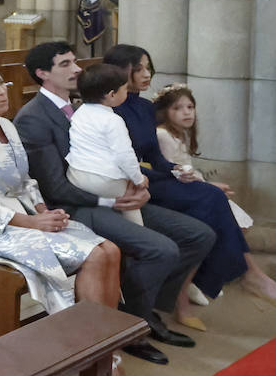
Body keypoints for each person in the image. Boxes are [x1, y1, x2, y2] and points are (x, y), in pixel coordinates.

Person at [0, 64, 146, 376]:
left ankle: (104, 350)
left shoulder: (8, 125)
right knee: (94, 255)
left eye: (1, 83)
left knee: (109, 249)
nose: (2, 90)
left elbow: (27, 181)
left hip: (24, 213)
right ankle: (102, 362)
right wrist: (29, 223)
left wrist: (41, 210)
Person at [13, 41, 209, 361]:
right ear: (42, 74)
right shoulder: (33, 118)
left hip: (114, 195)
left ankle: (140, 309)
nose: (77, 69)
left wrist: (137, 189)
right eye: (65, 64)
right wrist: (110, 202)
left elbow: (119, 156)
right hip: (78, 208)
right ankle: (132, 326)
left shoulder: (83, 105)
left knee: (198, 235)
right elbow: (55, 186)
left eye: (75, 61)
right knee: (161, 249)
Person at [103, 44, 276, 309]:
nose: (146, 73)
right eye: (138, 68)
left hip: (150, 176)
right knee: (210, 198)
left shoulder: (146, 107)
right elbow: (120, 161)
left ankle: (233, 276)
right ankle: (241, 275)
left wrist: (176, 171)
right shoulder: (111, 110)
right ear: (119, 70)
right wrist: (161, 175)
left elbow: (155, 156)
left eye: (148, 67)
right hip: (131, 182)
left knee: (212, 197)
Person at [154, 83, 255, 232]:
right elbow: (172, 172)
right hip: (177, 191)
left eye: (190, 107)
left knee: (239, 224)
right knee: (234, 225)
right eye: (177, 108)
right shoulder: (162, 135)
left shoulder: (182, 133)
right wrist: (209, 187)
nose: (187, 112)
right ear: (164, 112)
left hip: (191, 185)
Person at [65, 64, 147, 226]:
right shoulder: (113, 120)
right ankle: (139, 231)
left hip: (76, 176)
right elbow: (124, 155)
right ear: (111, 95)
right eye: (124, 89)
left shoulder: (79, 113)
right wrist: (138, 179)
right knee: (131, 199)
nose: (127, 92)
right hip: (105, 180)